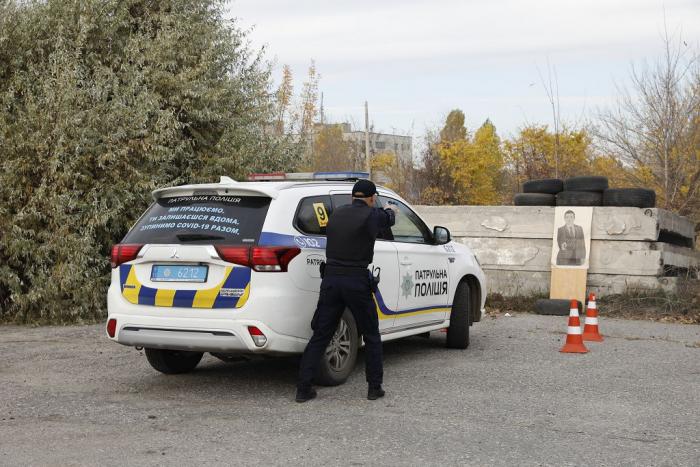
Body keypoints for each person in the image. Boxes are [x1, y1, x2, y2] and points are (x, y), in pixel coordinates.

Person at [296, 179, 397, 402]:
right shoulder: (372, 214)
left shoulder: (336, 214)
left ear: (353, 197)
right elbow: (389, 218)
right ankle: (374, 388)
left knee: (321, 334)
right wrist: (390, 209)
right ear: (371, 198)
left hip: (331, 280)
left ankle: (303, 389)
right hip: (356, 281)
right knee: (371, 334)